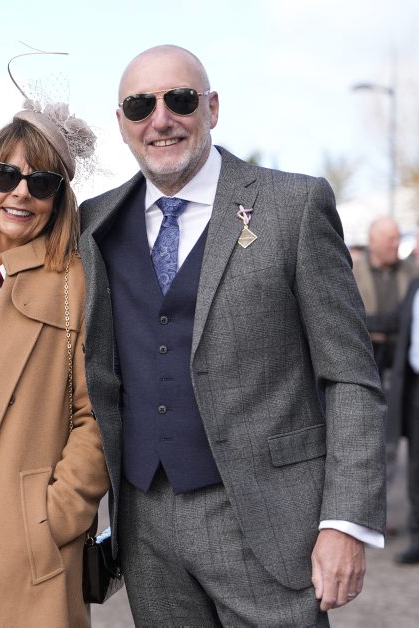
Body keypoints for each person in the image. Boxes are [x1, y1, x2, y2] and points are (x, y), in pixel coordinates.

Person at [78, 45, 386, 625]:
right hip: (145, 527)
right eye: (141, 106)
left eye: (180, 99)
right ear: (121, 123)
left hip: (267, 520)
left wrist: (344, 522)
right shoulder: (95, 223)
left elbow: (349, 375)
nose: (161, 119)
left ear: (212, 107)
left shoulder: (294, 206)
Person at [0, 99, 109, 627]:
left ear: (59, 199)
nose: (20, 193)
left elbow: (97, 415)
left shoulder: (76, 284)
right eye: (5, 175)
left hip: (23, 548)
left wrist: (51, 518)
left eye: (42, 183)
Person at [353, 216, 417, 382]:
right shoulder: (352, 273)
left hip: (401, 362)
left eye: (398, 238)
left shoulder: (411, 272)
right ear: (372, 242)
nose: (396, 244)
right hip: (366, 360)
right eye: (391, 239)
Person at [388, 278, 419, 563]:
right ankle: (417, 538)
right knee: (416, 467)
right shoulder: (414, 286)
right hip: (415, 389)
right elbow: (397, 320)